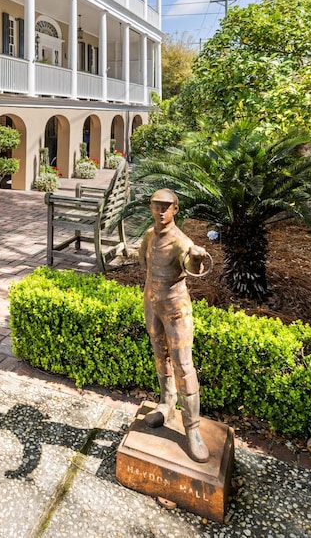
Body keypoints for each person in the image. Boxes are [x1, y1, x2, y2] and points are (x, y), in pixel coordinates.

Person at [139, 188, 210, 463]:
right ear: (151, 208)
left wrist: (197, 257)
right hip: (152, 303)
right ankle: (166, 404)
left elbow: (191, 264)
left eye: (166, 207)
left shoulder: (182, 241)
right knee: (160, 355)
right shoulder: (148, 236)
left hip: (176, 308)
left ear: (176, 210)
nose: (161, 211)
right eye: (157, 206)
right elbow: (143, 261)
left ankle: (192, 429)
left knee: (183, 363)